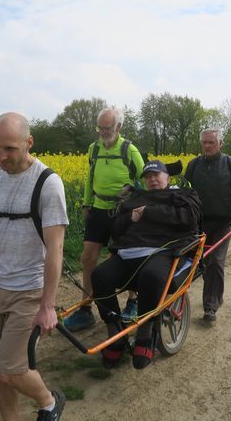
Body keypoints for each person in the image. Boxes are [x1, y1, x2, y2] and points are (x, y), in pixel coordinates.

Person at [0, 113, 69, 421]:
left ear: (28, 143)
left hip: (28, 290)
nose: (0, 156)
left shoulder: (48, 184)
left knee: (10, 370)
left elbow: (55, 248)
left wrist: (47, 305)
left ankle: (48, 401)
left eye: (9, 148)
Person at [91, 160, 202, 369]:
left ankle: (145, 332)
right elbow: (117, 230)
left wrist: (148, 212)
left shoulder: (183, 195)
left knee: (151, 276)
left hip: (163, 251)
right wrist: (130, 218)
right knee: (99, 276)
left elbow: (189, 219)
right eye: (148, 177)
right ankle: (115, 331)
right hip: (129, 252)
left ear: (167, 177)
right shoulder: (135, 198)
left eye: (156, 175)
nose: (152, 179)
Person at [63, 107, 145, 332]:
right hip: (98, 209)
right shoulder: (94, 149)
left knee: (128, 257)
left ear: (118, 127)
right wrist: (86, 204)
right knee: (88, 258)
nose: (102, 132)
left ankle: (133, 302)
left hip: (123, 211)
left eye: (107, 128)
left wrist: (136, 195)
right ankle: (86, 309)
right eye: (99, 127)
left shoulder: (130, 150)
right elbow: (90, 177)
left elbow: (145, 180)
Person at [184, 128, 231, 322]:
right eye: (204, 143)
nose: (207, 146)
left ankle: (211, 306)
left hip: (224, 222)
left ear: (220, 144)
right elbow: (183, 193)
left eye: (211, 143)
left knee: (215, 260)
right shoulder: (193, 165)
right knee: (194, 261)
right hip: (197, 221)